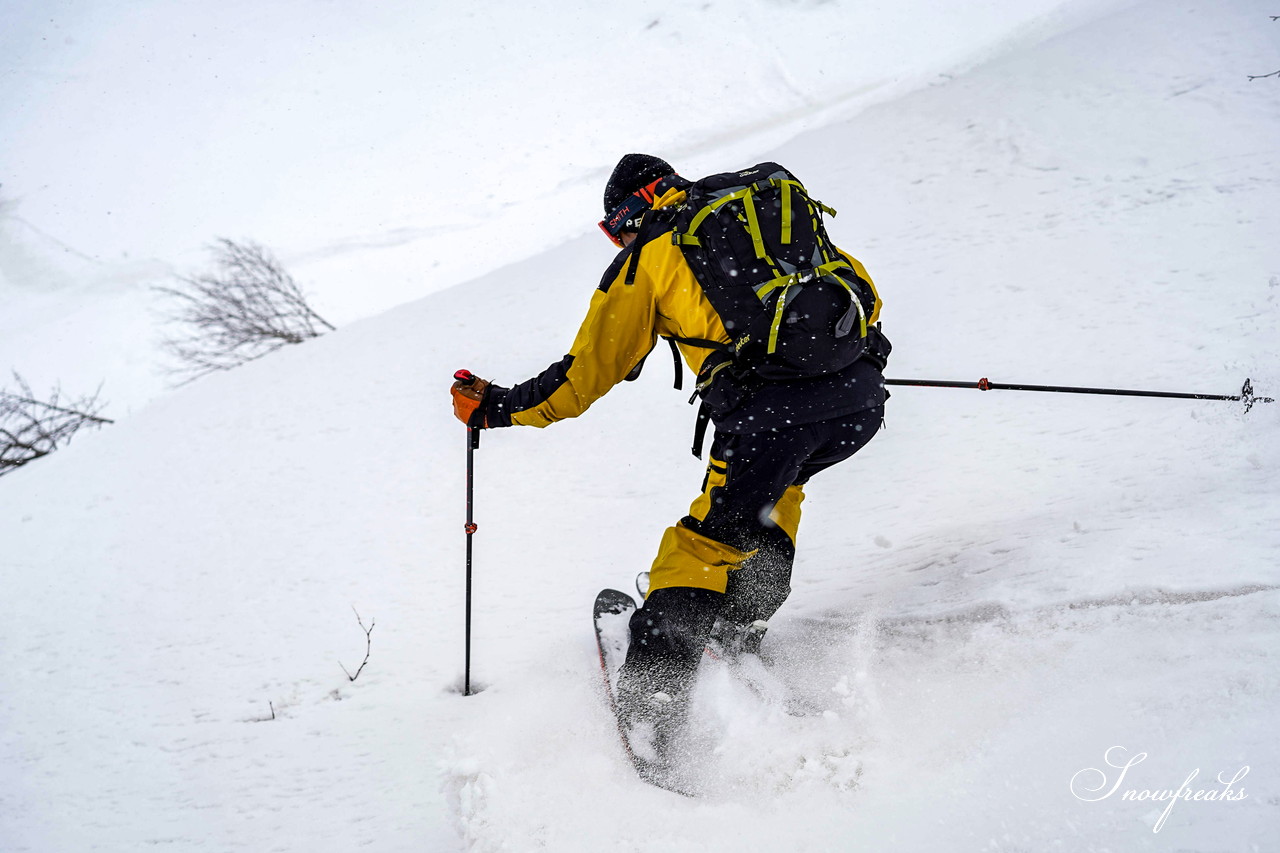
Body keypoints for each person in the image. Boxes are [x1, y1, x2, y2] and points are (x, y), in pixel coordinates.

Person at [451, 153, 888, 732]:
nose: (618, 242)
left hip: (772, 417)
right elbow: (860, 298)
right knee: (772, 495)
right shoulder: (763, 218)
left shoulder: (651, 255)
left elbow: (583, 376)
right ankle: (738, 618)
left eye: (615, 230)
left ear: (631, 213)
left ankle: (654, 702)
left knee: (702, 545)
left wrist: (499, 408)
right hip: (857, 406)